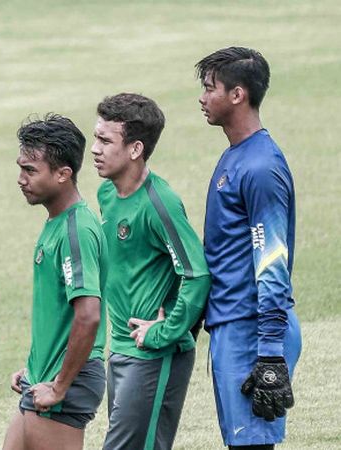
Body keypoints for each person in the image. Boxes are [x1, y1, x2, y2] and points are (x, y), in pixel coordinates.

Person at [90, 93, 211, 449]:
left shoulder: (160, 204)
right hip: (122, 349)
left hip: (154, 356)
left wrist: (166, 331)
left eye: (105, 140)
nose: (94, 149)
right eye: (96, 138)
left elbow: (196, 273)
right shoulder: (107, 194)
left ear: (135, 149)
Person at [196, 47, 300, 449]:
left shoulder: (260, 167)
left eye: (210, 89)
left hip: (252, 332)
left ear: (237, 95)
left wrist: (271, 352)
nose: (203, 99)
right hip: (233, 325)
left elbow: (272, 260)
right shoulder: (236, 156)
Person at [2, 113, 107, 450]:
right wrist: (33, 367)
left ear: (63, 174)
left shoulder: (76, 231)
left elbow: (88, 314)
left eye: (30, 170)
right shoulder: (57, 222)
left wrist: (60, 385)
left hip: (66, 382)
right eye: (21, 168)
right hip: (44, 375)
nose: (20, 179)